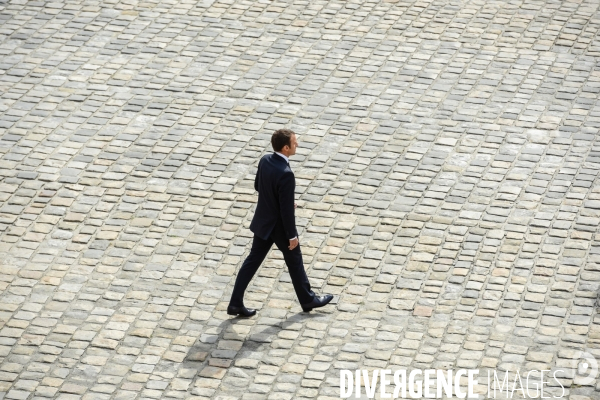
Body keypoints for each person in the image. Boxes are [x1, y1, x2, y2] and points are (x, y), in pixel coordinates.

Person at [227, 129, 334, 316]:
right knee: (295, 259)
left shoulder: (265, 160)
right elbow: (286, 212)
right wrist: (292, 235)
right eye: (295, 142)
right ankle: (308, 299)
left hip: (263, 221)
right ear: (286, 148)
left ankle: (235, 303)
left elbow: (258, 186)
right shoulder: (286, 174)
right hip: (278, 226)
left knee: (252, 261)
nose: (297, 144)